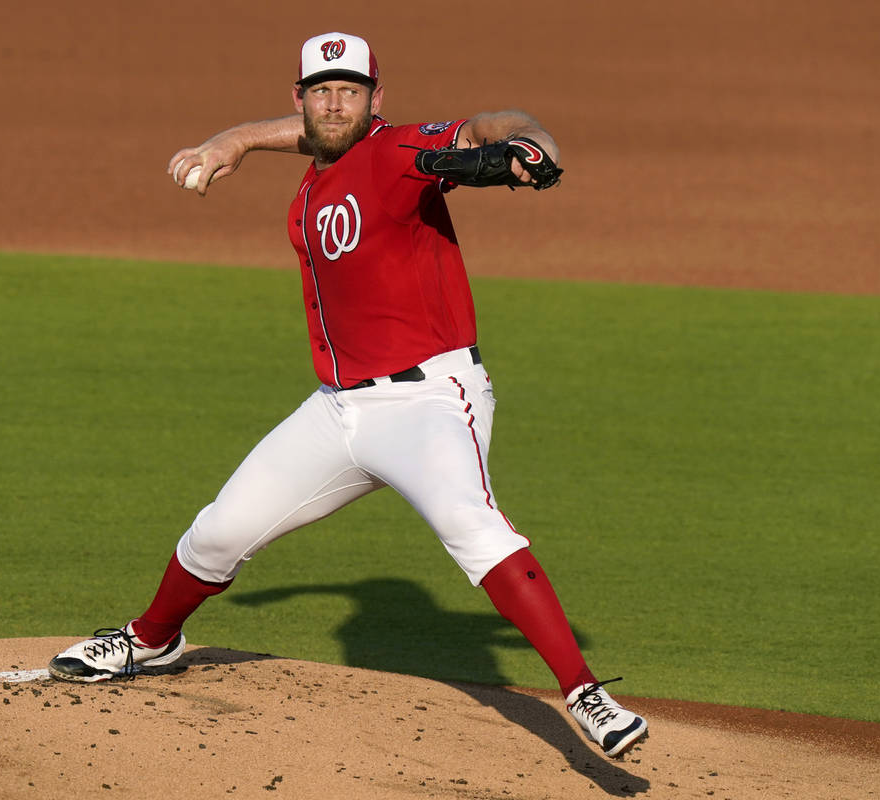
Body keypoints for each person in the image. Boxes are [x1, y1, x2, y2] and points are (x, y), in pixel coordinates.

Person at [49, 32, 648, 759]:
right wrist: (237, 138)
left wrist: (531, 146)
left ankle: (586, 695)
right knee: (218, 532)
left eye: (352, 91)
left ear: (377, 100)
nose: (337, 103)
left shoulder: (402, 152)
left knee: (474, 526)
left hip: (430, 401)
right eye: (322, 91)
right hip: (339, 411)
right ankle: (151, 641)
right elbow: (322, 140)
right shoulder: (322, 168)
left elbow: (498, 124)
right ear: (301, 100)